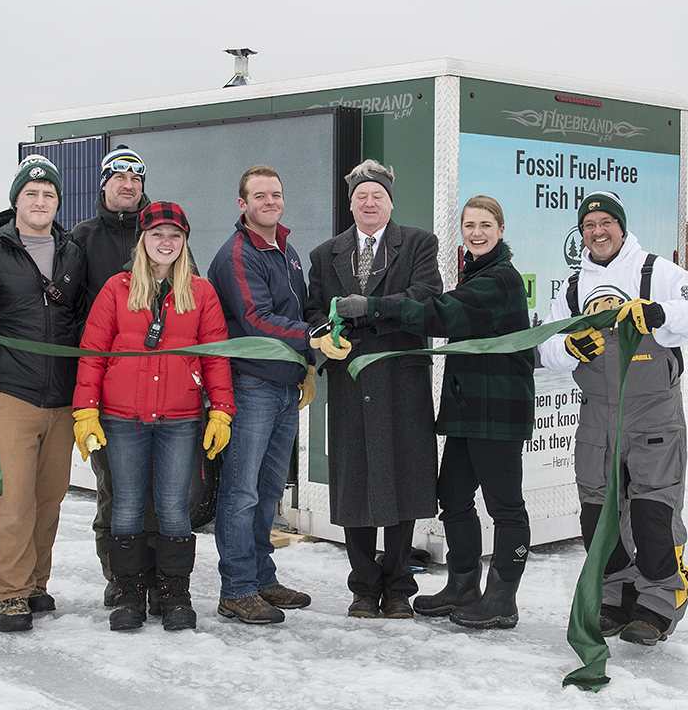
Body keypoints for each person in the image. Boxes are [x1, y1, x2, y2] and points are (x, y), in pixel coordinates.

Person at [336, 195, 534, 629]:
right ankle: (463, 585)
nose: (477, 233)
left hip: (496, 412)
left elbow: (441, 315)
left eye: (485, 225)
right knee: (454, 497)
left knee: (505, 506)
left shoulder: (500, 279)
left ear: (501, 231)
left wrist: (373, 306)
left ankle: (503, 599)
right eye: (469, 226)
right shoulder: (476, 271)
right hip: (468, 409)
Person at [539, 190, 688, 646]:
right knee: (597, 516)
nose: (597, 232)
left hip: (652, 414)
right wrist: (569, 347)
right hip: (598, 415)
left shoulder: (656, 271)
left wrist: (661, 312)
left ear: (620, 226)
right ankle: (615, 598)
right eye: (588, 226)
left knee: (652, 513)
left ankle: (661, 601)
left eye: (605, 223)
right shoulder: (574, 286)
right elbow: (548, 348)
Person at [72, 201, 234, 632]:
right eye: (158, 235)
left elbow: (216, 358)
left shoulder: (200, 293)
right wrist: (85, 409)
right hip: (123, 417)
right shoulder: (115, 289)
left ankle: (173, 592)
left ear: (184, 243)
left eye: (175, 236)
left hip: (180, 418)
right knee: (125, 504)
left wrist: (221, 410)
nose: (167, 242)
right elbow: (92, 354)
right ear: (143, 240)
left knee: (173, 506)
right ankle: (129, 591)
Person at [304, 160, 442, 619]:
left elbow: (427, 296)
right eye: (361, 196)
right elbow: (313, 311)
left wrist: (375, 306)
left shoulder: (419, 244)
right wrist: (324, 333)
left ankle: (400, 585)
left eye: (376, 195)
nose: (369, 202)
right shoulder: (326, 254)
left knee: (404, 478)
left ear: (390, 201)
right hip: (350, 382)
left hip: (402, 381)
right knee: (354, 482)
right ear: (350, 204)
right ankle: (363, 586)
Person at [72, 145, 194, 607]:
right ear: (104, 184)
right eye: (119, 177)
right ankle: (121, 576)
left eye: (136, 179)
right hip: (110, 389)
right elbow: (74, 317)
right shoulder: (82, 238)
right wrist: (85, 393)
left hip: (169, 392)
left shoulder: (169, 236)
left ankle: (161, 579)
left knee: (164, 496)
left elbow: (192, 308)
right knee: (116, 490)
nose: (128, 185)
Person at [0, 155, 86, 632]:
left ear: (57, 202)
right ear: (16, 200)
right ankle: (12, 594)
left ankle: (37, 582)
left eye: (48, 195)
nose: (40, 202)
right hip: (10, 392)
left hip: (61, 396)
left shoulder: (73, 253)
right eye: (31, 194)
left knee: (49, 497)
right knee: (12, 499)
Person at [207, 165, 317, 624]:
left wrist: (308, 364)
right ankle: (236, 588)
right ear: (243, 204)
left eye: (275, 193)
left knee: (269, 489)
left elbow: (299, 307)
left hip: (285, 386)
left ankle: (262, 578)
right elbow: (257, 320)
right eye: (259, 196)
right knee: (241, 491)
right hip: (250, 385)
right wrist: (313, 337)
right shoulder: (238, 253)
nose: (269, 201)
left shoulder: (285, 250)